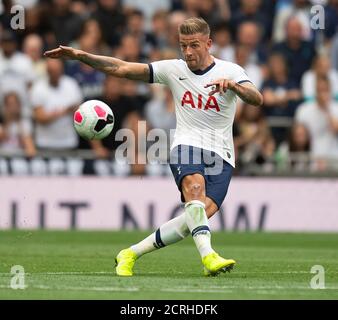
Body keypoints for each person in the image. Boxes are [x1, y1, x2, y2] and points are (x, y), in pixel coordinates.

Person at [44, 17, 263, 277]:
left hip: (222, 154)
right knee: (194, 190)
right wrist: (82, 56)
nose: (189, 52)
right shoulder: (173, 69)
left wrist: (234, 87)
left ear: (209, 43)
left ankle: (130, 253)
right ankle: (208, 256)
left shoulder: (231, 70)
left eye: (194, 45)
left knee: (194, 219)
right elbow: (122, 68)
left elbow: (256, 99)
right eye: (184, 46)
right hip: (187, 144)